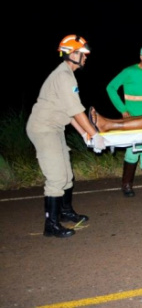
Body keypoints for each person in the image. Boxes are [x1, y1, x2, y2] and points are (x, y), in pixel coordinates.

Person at [26, 35, 106, 238]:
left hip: (55, 128)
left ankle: (65, 212)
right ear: (72, 54)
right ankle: (50, 225)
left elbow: (70, 113)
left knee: (68, 176)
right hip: (44, 129)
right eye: (83, 54)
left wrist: (83, 135)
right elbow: (77, 111)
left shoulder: (67, 75)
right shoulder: (63, 76)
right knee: (56, 177)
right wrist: (95, 134)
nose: (86, 58)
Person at [106, 45, 142, 198]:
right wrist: (122, 109)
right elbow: (110, 88)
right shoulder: (129, 71)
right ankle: (126, 185)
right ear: (141, 57)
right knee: (133, 150)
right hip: (132, 119)